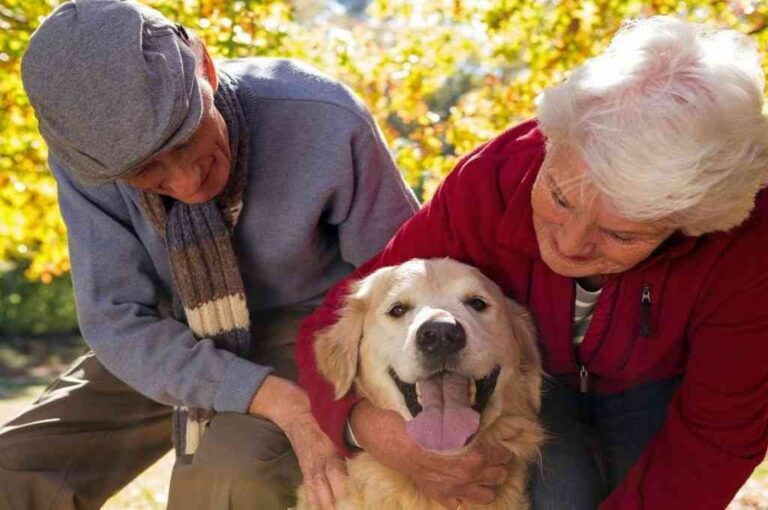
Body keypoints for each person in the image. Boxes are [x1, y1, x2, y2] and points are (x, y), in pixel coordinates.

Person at [297, 16, 768, 510]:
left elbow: (717, 437)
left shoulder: (746, 247)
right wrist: (367, 427)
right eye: (560, 198)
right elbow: (332, 327)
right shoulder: (489, 183)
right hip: (536, 382)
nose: (570, 244)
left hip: (659, 389)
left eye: (620, 233)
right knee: (563, 495)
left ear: (691, 222)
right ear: (552, 143)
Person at [0, 0, 418, 509]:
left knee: (226, 482)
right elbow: (115, 320)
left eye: (185, 138)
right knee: (11, 472)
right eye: (146, 170)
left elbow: (407, 286)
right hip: (169, 338)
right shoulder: (92, 164)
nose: (186, 182)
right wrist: (272, 398)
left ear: (207, 68)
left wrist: (353, 413)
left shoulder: (323, 116)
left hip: (311, 330)